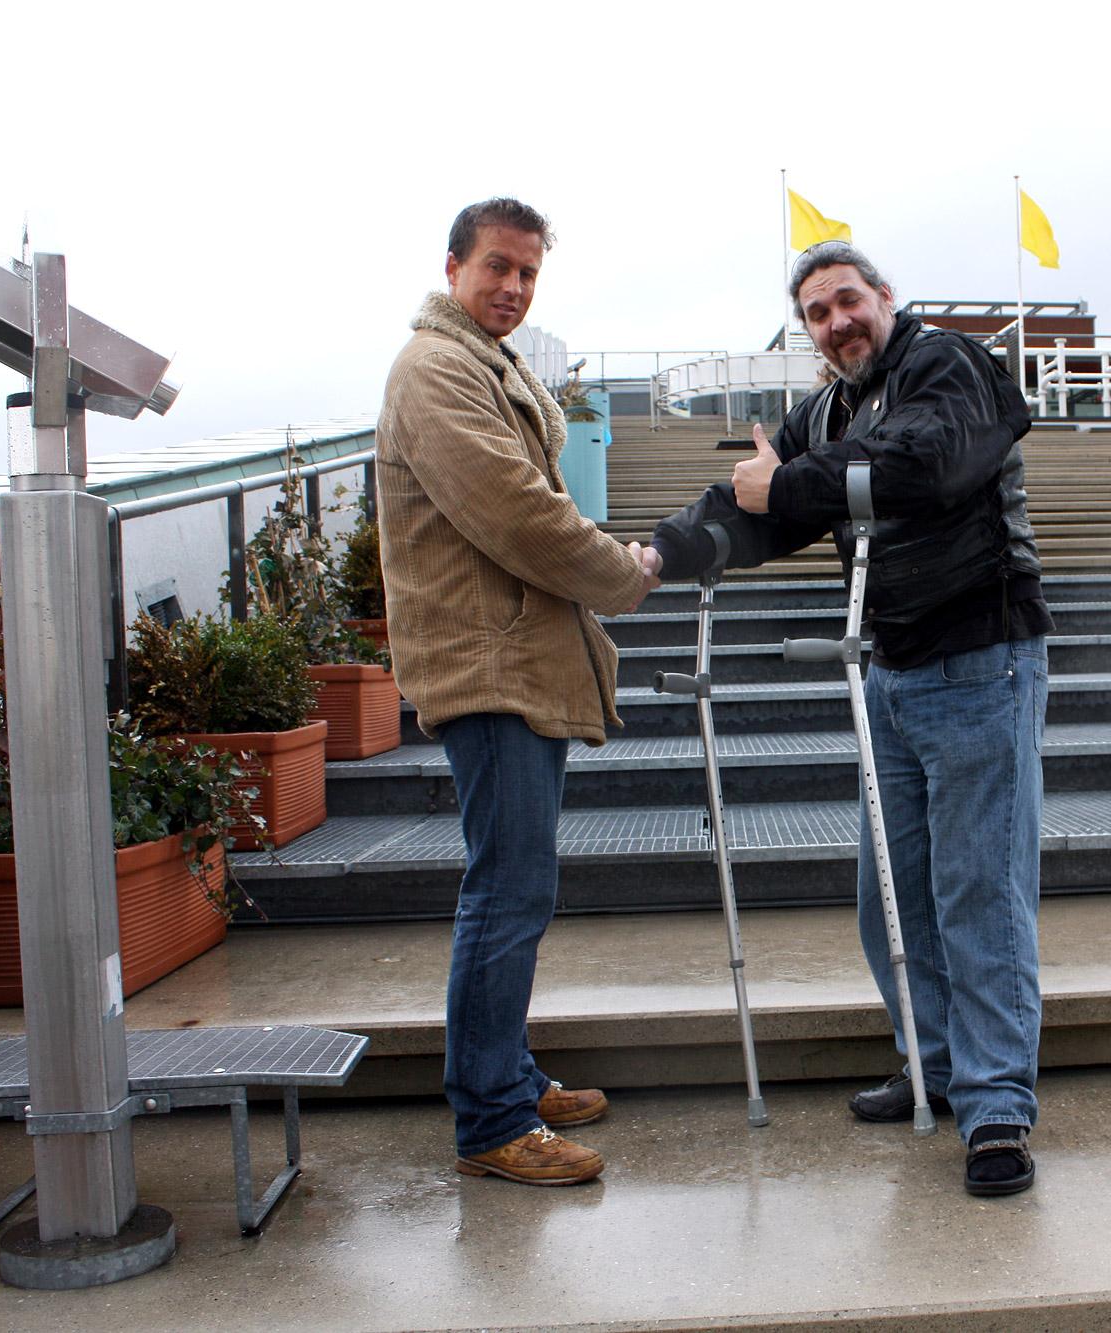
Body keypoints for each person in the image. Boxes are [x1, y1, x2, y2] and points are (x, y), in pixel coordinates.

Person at [649, 241, 1050, 1195]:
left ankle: (995, 1107)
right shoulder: (829, 410)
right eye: (817, 314)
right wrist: (660, 554)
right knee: (891, 897)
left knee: (979, 891)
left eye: (847, 301)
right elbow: (758, 501)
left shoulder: (947, 363)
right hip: (890, 670)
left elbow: (927, 462)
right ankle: (935, 1063)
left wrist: (787, 483)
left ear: (885, 297)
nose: (837, 323)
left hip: (980, 655)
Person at [376, 197, 661, 1187]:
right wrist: (620, 572)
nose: (512, 286)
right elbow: (515, 509)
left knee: (515, 884)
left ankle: (507, 1073)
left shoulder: (480, 361)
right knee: (507, 889)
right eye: (496, 265)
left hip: (512, 661)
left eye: (528, 272)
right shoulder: (435, 368)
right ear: (453, 266)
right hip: (488, 665)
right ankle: (492, 1117)